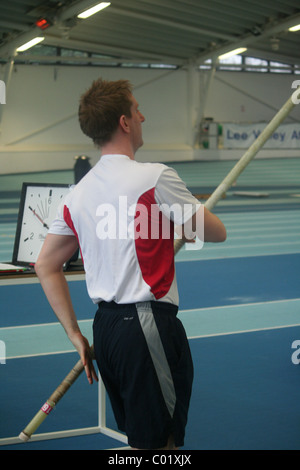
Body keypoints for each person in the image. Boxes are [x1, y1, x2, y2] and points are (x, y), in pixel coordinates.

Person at [35, 78, 226, 450]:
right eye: (137, 109)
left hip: (106, 330)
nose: (143, 115)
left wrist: (75, 335)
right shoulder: (155, 177)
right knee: (162, 446)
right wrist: (187, 223)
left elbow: (46, 265)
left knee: (142, 443)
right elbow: (215, 232)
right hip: (146, 326)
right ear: (124, 122)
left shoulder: (77, 195)